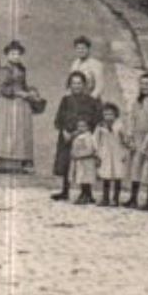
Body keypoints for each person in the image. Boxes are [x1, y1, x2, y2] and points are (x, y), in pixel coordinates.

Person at [0, 40, 41, 174]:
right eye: (12, 53)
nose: (15, 56)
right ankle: (1, 163)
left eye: (18, 54)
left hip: (21, 104)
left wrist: (31, 91)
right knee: (6, 130)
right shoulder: (4, 69)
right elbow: (1, 88)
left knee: (20, 131)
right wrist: (19, 93)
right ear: (7, 55)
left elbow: (24, 84)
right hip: (7, 103)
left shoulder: (21, 68)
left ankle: (19, 163)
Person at [51, 71, 102, 202]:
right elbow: (59, 118)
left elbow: (95, 119)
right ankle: (65, 190)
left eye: (79, 83)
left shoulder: (91, 101)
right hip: (67, 136)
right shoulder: (65, 100)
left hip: (83, 138)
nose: (76, 86)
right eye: (73, 83)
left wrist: (81, 132)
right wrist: (64, 131)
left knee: (83, 164)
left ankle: (87, 193)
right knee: (66, 163)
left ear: (84, 85)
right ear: (69, 85)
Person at [124, 75, 148, 209]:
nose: (144, 87)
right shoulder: (136, 102)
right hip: (138, 137)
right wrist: (129, 135)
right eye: (142, 84)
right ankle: (133, 198)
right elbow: (131, 119)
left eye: (147, 84)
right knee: (136, 167)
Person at [94, 103, 130, 208]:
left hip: (117, 152)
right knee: (106, 176)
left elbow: (124, 138)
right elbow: (95, 139)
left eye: (111, 114)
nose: (108, 117)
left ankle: (115, 199)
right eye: (106, 114)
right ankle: (105, 198)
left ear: (115, 115)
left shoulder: (119, 125)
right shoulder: (100, 126)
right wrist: (97, 152)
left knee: (117, 175)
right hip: (105, 153)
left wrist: (126, 147)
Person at [68, 36, 110, 107]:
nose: (81, 51)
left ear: (88, 49)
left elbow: (99, 87)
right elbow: (70, 84)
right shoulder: (74, 64)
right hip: (76, 101)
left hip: (92, 101)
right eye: (78, 48)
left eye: (83, 48)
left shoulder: (96, 64)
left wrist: (89, 101)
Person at [69, 119, 99, 204]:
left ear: (88, 127)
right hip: (80, 162)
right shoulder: (78, 137)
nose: (80, 128)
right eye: (79, 126)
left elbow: (90, 150)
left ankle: (85, 195)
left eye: (83, 126)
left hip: (87, 161)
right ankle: (87, 195)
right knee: (81, 178)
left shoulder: (89, 137)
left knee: (86, 179)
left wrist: (79, 155)